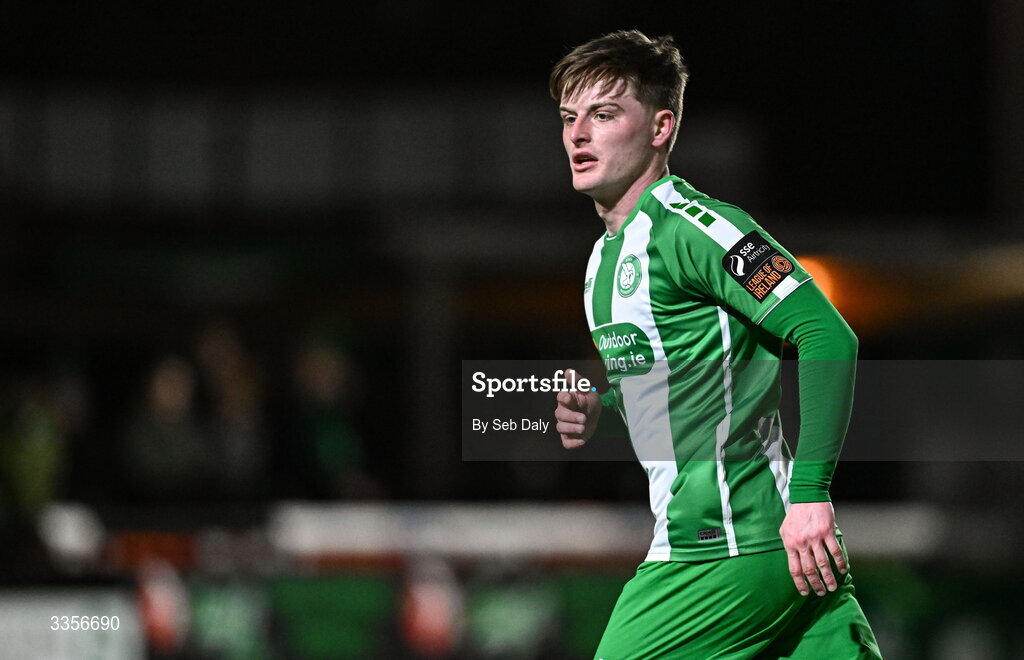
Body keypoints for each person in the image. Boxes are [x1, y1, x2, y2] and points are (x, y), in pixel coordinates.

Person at [550, 30, 881, 658]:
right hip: (783, 557)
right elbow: (679, 384)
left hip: (723, 549)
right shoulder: (601, 264)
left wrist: (812, 492)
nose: (577, 135)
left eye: (604, 113)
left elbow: (826, 334)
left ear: (660, 127)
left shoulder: (704, 230)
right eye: (569, 118)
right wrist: (602, 396)